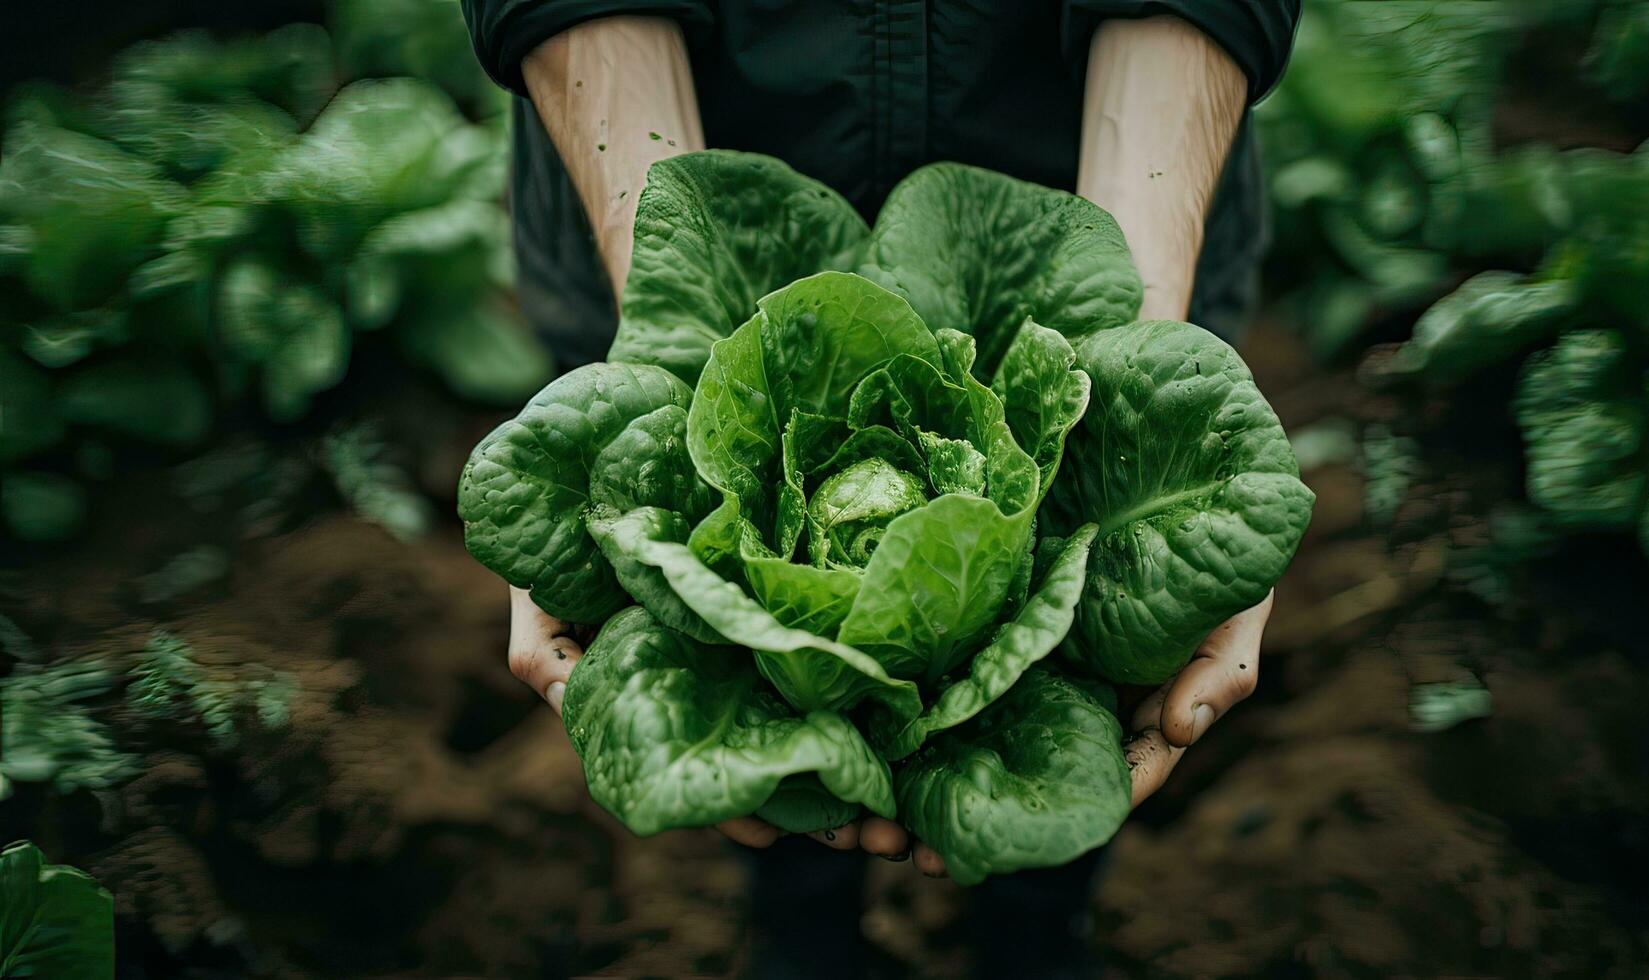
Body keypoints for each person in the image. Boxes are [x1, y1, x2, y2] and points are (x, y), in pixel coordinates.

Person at [460, 2, 1297, 975]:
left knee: (1094, 722)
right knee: (772, 807)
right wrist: (648, 268)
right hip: (649, 156)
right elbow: (677, 247)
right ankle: (803, 926)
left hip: (1092, 167)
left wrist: (1141, 331)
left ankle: (1036, 924)